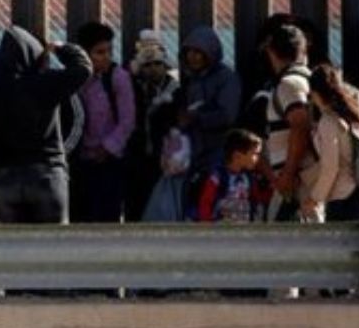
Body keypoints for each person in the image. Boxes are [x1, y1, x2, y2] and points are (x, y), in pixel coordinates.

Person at [0, 26, 92, 225]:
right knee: (54, 240)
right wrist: (60, 47)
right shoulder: (43, 83)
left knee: (14, 242)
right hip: (46, 173)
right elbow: (83, 68)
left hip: (4, 178)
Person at [69, 22, 136, 224]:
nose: (106, 57)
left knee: (106, 217)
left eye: (109, 51)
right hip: (79, 161)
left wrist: (107, 148)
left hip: (109, 162)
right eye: (99, 52)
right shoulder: (75, 79)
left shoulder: (118, 78)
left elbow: (127, 121)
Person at [304, 66, 359, 223]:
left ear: (315, 94)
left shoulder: (328, 122)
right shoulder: (352, 115)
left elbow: (330, 168)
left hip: (342, 197)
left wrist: (314, 198)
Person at [125, 31, 180, 222]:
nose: (153, 69)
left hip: (165, 155)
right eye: (148, 65)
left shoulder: (175, 89)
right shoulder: (133, 88)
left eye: (158, 64)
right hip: (138, 156)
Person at [262, 24, 314, 222]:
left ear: (272, 52)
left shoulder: (289, 84)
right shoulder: (308, 80)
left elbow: (300, 127)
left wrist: (288, 175)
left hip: (296, 185)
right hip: (303, 181)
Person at [179, 27, 242, 176]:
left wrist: (196, 118)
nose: (192, 57)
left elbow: (227, 115)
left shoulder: (226, 78)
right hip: (195, 154)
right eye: (189, 51)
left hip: (218, 153)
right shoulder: (193, 79)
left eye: (198, 52)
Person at [195, 129, 268, 223]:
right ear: (237, 156)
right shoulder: (218, 177)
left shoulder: (249, 178)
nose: (257, 158)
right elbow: (205, 204)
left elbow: (257, 200)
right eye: (254, 154)